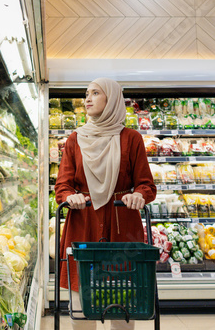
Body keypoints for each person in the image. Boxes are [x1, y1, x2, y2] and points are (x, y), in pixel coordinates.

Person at [55, 78, 157, 330]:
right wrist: (70, 196)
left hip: (122, 229)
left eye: (95, 93)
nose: (87, 99)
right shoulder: (75, 139)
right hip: (84, 225)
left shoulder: (131, 139)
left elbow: (147, 185)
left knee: (122, 308)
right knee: (81, 310)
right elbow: (62, 185)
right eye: (86, 93)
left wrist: (138, 195)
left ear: (111, 99)